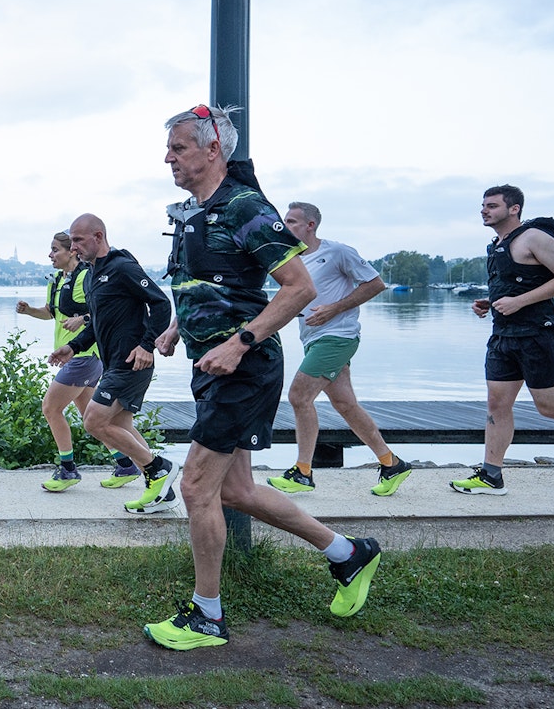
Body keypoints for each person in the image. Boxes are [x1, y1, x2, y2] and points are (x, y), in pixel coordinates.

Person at [146, 106, 381, 650]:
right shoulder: (196, 212)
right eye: (170, 148)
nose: (168, 158)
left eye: (179, 148)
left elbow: (299, 288)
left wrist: (239, 342)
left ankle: (207, 616)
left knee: (195, 486)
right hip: (214, 363)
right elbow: (205, 283)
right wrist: (178, 328)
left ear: (212, 151)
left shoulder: (246, 207)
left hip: (243, 366)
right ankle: (348, 554)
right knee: (238, 490)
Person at [267, 202, 411, 497]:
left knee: (299, 396)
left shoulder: (337, 252)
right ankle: (391, 463)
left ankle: (303, 472)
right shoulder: (289, 261)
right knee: (346, 405)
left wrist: (333, 309)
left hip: (338, 336)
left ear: (311, 225)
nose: (286, 226)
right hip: (312, 339)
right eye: (285, 221)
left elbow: (375, 284)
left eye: (293, 221)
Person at [456, 185, 554, 495]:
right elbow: (514, 286)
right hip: (503, 337)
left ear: (514, 209)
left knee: (550, 407)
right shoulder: (496, 244)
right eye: (483, 205)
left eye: (492, 205)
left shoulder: (534, 237)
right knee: (497, 404)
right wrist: (490, 301)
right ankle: (491, 476)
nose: (484, 210)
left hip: (539, 334)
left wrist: (519, 301)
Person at [50, 214, 175, 512]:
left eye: (79, 240)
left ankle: (159, 468)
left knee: (93, 420)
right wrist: (74, 346)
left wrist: (148, 346)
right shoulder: (92, 274)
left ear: (98, 236)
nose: (75, 247)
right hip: (113, 362)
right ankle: (161, 491)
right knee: (121, 426)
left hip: (131, 361)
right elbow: (98, 322)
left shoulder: (122, 267)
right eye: (73, 241)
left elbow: (160, 303)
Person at [16, 232, 110, 492]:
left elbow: (102, 311)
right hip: (74, 358)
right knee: (90, 415)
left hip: (84, 355)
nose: (50, 255)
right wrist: (28, 311)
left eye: (55, 250)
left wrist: (82, 319)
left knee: (50, 407)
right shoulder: (56, 280)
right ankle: (125, 463)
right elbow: (50, 313)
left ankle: (68, 469)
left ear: (72, 251)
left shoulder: (86, 278)